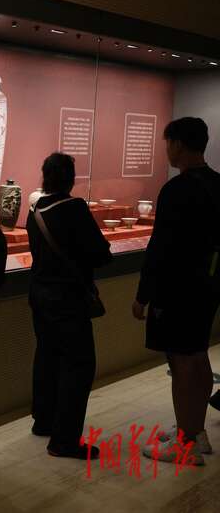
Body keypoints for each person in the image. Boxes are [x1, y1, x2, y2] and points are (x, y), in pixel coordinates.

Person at [133, 117, 220, 465]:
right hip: (208, 286)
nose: (166, 150)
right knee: (197, 356)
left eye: (167, 143)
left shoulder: (177, 189)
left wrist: (143, 294)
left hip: (177, 289)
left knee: (181, 362)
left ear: (179, 144)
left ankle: (186, 443)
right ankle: (195, 431)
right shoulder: (217, 183)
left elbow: (160, 248)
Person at [26, 153, 112, 459]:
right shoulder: (74, 208)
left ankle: (43, 421)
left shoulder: (36, 210)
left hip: (39, 294)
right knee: (79, 365)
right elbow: (100, 254)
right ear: (71, 179)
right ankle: (64, 440)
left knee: (46, 356)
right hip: (68, 298)